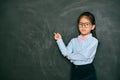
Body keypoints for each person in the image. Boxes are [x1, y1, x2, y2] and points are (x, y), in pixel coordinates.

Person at [54, 12, 98, 80]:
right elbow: (65, 52)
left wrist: (69, 56)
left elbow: (84, 56)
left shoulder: (94, 41)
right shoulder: (73, 41)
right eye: (81, 24)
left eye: (86, 24)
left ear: (92, 26)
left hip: (87, 70)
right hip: (75, 69)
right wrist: (59, 40)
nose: (83, 26)